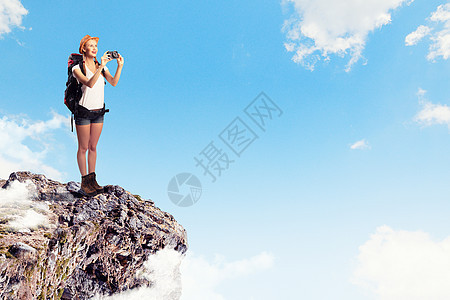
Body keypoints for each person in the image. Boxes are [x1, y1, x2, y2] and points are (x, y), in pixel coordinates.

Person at [72, 35, 124, 196]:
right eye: (91, 45)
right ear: (83, 49)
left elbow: (114, 82)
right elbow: (89, 83)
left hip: (99, 112)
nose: (94, 48)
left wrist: (119, 66)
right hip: (83, 112)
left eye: (95, 45)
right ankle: (84, 181)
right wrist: (101, 66)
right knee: (83, 147)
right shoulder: (76, 67)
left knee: (93, 147)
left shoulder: (100, 65)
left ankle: (92, 181)